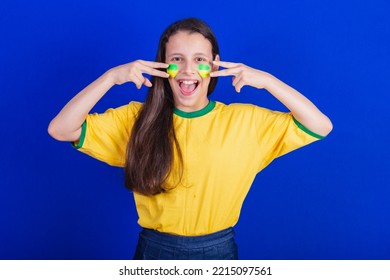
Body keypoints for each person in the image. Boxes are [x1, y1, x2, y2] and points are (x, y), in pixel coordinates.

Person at [48, 18, 332, 260]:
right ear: (162, 66)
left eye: (199, 60)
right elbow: (61, 129)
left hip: (219, 251)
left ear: (215, 65)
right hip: (154, 253)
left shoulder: (246, 121)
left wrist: (268, 80)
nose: (187, 70)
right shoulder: (137, 120)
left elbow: (320, 126)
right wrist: (110, 77)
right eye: (176, 60)